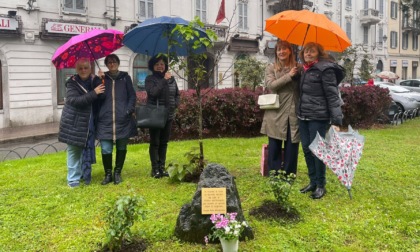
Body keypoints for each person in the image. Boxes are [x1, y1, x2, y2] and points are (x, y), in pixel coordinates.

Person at [297, 42, 343, 199]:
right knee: (307, 149)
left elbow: (332, 95)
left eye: (312, 51)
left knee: (318, 151)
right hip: (303, 116)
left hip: (318, 116)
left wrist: (336, 120)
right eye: (305, 51)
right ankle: (312, 182)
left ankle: (321, 185)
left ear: (319, 53)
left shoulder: (325, 69)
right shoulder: (305, 70)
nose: (308, 54)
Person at [58, 58, 105, 188]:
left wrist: (102, 80)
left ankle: (83, 173)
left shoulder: (94, 80)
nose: (83, 70)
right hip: (74, 121)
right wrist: (94, 93)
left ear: (90, 68)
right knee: (74, 150)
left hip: (88, 121)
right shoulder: (72, 83)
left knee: (85, 148)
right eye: (80, 68)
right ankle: (73, 179)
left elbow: (102, 97)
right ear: (76, 70)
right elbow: (75, 101)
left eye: (86, 67)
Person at [261, 40, 300, 177]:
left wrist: (297, 74)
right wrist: (289, 76)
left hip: (293, 110)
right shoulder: (271, 68)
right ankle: (274, 173)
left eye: (284, 49)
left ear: (290, 51)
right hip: (276, 110)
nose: (281, 52)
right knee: (274, 144)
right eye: (279, 50)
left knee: (292, 144)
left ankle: (290, 173)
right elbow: (271, 85)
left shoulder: (298, 68)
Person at [97, 54, 138, 185]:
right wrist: (99, 81)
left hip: (122, 118)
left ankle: (117, 173)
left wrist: (128, 110)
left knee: (121, 146)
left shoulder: (125, 77)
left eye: (114, 61)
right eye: (109, 62)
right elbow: (98, 98)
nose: (112, 64)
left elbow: (132, 96)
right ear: (106, 64)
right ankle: (108, 174)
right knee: (106, 148)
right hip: (105, 119)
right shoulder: (103, 78)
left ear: (118, 63)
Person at [145, 55, 180, 179]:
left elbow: (177, 94)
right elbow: (153, 93)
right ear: (153, 66)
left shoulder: (172, 79)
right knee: (155, 142)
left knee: (164, 142)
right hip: (155, 115)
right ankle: (155, 169)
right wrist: (164, 80)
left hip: (168, 115)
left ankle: (161, 167)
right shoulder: (150, 79)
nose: (160, 66)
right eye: (157, 64)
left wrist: (175, 105)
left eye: (162, 64)